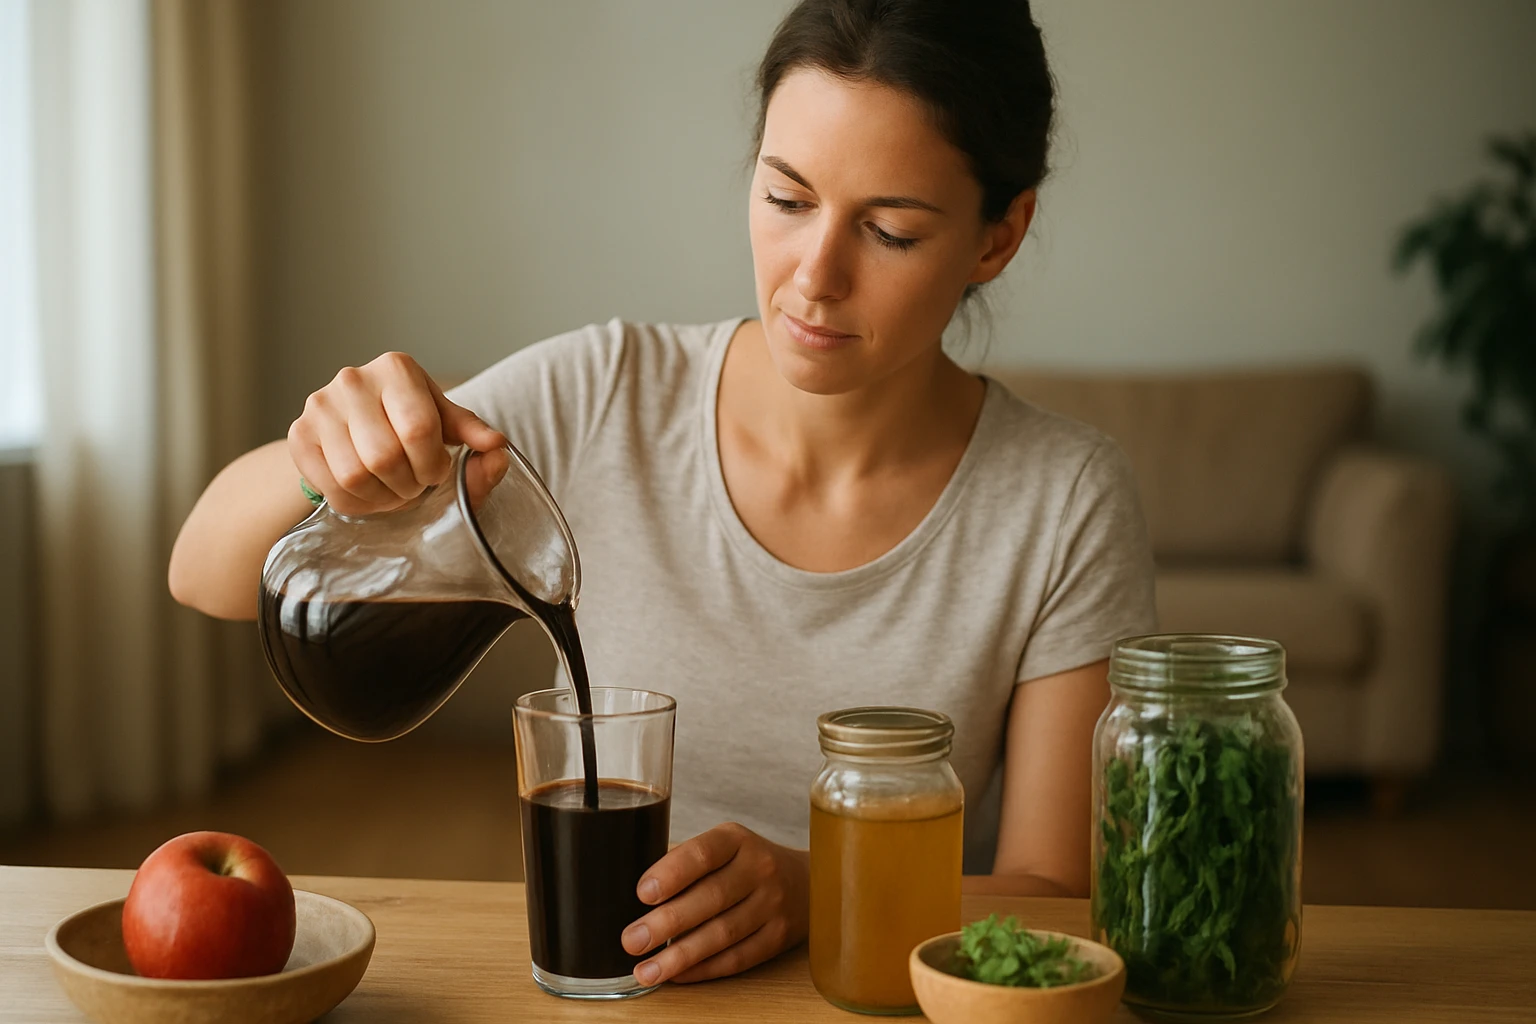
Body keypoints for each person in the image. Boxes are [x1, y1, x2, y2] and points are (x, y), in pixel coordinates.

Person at [170, 0, 1156, 990]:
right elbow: (203, 569)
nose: (814, 278)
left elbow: (1055, 891)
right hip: (607, 992)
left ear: (998, 236)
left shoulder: (1062, 498)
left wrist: (818, 886)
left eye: (890, 231)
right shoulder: (602, 395)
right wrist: (324, 455)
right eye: (786, 199)